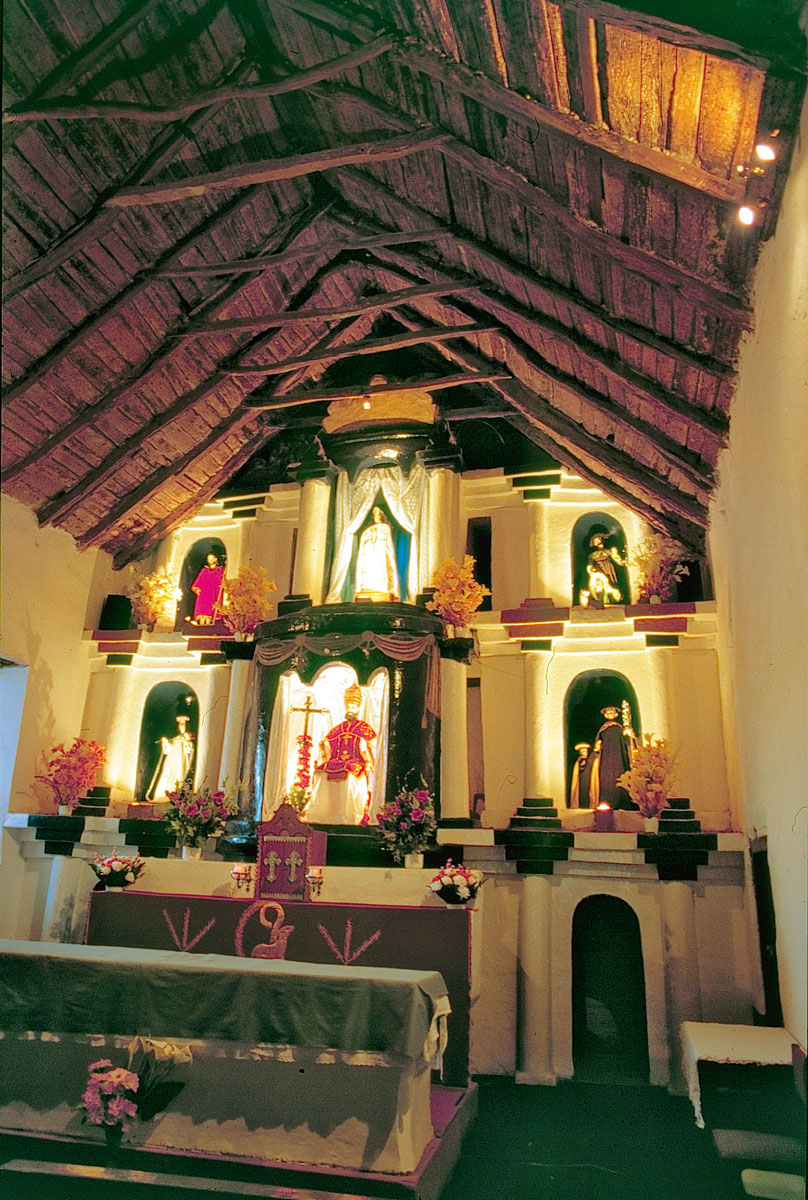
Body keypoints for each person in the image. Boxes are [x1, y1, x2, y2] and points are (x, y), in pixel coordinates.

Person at [305, 684, 376, 824]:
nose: (350, 709)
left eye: (353, 707)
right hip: (337, 760)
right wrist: (325, 744)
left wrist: (364, 751)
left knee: (348, 769)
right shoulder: (340, 727)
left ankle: (346, 814)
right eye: (348, 706)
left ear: (358, 708)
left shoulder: (363, 728)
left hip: (356, 761)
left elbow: (371, 746)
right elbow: (327, 740)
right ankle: (324, 813)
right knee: (322, 770)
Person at [589, 706, 635, 809]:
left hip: (618, 758)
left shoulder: (619, 728)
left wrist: (630, 736)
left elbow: (627, 743)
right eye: (607, 712)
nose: (610, 713)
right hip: (606, 758)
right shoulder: (603, 729)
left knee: (620, 777)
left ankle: (622, 802)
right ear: (605, 715)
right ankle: (606, 801)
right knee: (606, 778)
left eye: (612, 711)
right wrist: (598, 744)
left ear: (616, 714)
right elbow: (598, 743)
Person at [355, 507, 399, 602]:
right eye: (375, 514)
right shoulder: (369, 529)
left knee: (381, 569)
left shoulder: (385, 527)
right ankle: (368, 587)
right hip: (370, 551)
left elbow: (388, 542)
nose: (377, 516)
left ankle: (381, 588)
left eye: (379, 514)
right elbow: (363, 539)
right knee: (370, 569)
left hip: (381, 550)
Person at [146, 714, 194, 802]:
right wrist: (165, 742)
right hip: (171, 761)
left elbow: (189, 750)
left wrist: (187, 742)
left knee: (177, 777)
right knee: (167, 775)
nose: (181, 726)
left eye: (183, 724)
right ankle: (162, 795)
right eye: (180, 724)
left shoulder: (186, 739)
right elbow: (168, 748)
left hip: (180, 761)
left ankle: (174, 796)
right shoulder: (176, 739)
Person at [579, 534, 626, 607]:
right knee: (601, 584)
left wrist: (620, 561)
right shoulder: (593, 555)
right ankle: (602, 600)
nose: (599, 541)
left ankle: (613, 599)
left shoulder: (608, 551)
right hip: (599, 569)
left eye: (600, 539)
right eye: (597, 539)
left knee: (611, 582)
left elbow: (616, 558)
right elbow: (590, 563)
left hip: (609, 568)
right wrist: (591, 569)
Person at [190, 552, 225, 624]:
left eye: (212, 558)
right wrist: (197, 589)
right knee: (203, 614)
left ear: (216, 559)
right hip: (204, 595)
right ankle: (202, 627)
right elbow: (197, 582)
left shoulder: (220, 570)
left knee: (212, 612)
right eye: (209, 559)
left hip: (214, 594)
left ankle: (210, 627)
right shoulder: (204, 571)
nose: (210, 560)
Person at [569, 742, 593, 808]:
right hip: (581, 780)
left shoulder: (590, 761)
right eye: (583, 751)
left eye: (585, 751)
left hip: (588, 779)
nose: (584, 753)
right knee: (582, 792)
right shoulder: (578, 762)